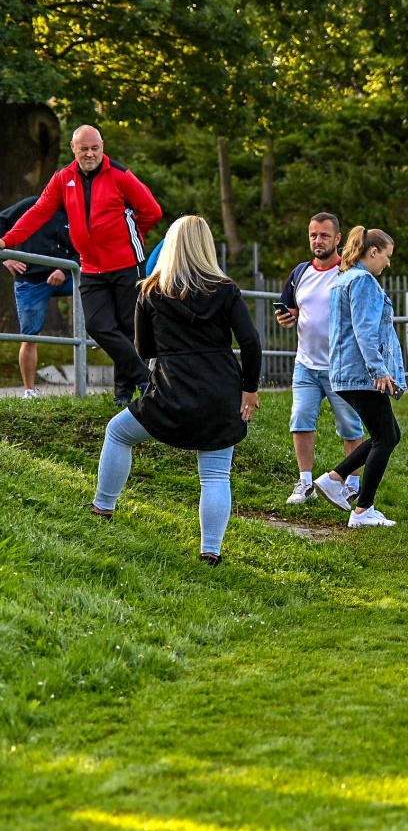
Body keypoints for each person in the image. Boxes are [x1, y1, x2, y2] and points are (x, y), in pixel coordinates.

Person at [89, 215, 260, 565]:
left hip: (171, 390)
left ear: (170, 245)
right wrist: (250, 390)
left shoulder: (150, 290)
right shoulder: (225, 290)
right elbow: (251, 342)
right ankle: (210, 551)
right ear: (206, 246)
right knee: (215, 474)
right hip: (221, 390)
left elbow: (144, 350)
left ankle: (102, 507)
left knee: (118, 433)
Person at [0, 126, 162, 405]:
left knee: (128, 328)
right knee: (98, 326)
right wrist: (7, 241)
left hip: (126, 262)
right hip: (90, 266)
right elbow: (38, 211)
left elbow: (152, 211)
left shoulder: (120, 176)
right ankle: (146, 379)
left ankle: (123, 394)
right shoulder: (63, 178)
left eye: (95, 148)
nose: (90, 154)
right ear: (73, 148)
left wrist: (130, 235)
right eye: (84, 148)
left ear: (102, 147)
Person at [313, 226, 408, 528]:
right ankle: (363, 510)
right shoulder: (364, 281)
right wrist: (379, 371)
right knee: (386, 436)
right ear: (374, 251)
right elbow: (364, 329)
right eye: (387, 256)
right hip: (361, 374)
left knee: (389, 434)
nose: (388, 263)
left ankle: (334, 479)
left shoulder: (344, 278)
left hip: (345, 372)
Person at [277, 213, 364, 504]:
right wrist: (287, 318)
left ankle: (351, 483)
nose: (318, 240)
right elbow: (291, 309)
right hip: (306, 363)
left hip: (341, 367)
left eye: (325, 235)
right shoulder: (300, 272)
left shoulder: (349, 273)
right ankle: (304, 483)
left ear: (338, 239)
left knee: (350, 426)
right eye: (314, 235)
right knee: (300, 419)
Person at [2, 195, 76, 398]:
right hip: (31, 279)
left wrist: (65, 271)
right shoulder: (30, 204)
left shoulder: (80, 209)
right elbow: (1, 221)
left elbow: (90, 246)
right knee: (29, 336)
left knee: (97, 281)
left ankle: (98, 333)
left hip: (68, 275)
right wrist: (6, 257)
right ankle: (29, 391)